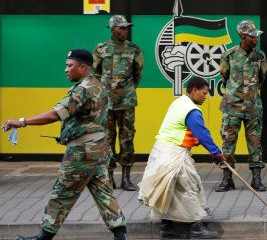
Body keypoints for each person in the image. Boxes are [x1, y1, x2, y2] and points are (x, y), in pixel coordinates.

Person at [2, 50, 128, 240]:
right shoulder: (98, 85)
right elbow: (89, 120)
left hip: (82, 154)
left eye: (70, 65)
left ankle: (43, 237)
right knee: (103, 193)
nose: (66, 70)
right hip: (99, 150)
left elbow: (55, 114)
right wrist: (70, 133)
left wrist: (22, 121)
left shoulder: (82, 89)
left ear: (83, 67)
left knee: (62, 194)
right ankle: (121, 235)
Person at [138, 76, 224, 239]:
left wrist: (208, 148)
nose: (206, 96)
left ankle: (167, 228)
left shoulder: (179, 103)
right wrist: (216, 152)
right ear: (194, 90)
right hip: (174, 155)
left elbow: (186, 131)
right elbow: (202, 133)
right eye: (204, 93)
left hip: (161, 152)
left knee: (168, 190)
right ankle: (196, 229)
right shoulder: (191, 110)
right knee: (190, 187)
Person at [214, 20, 267, 192]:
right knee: (228, 143)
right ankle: (227, 179)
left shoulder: (260, 56)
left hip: (253, 107)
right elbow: (224, 76)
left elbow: (262, 78)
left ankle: (257, 180)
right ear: (244, 37)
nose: (256, 39)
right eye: (253, 36)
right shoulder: (229, 55)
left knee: (255, 143)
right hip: (232, 107)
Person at [93, 14, 144, 191]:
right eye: (121, 27)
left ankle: (126, 178)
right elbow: (96, 74)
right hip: (106, 102)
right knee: (106, 139)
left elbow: (137, 75)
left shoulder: (134, 49)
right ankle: (108, 177)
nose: (124, 30)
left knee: (127, 138)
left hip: (127, 101)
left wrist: (126, 90)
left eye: (126, 27)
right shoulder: (101, 49)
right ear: (112, 29)